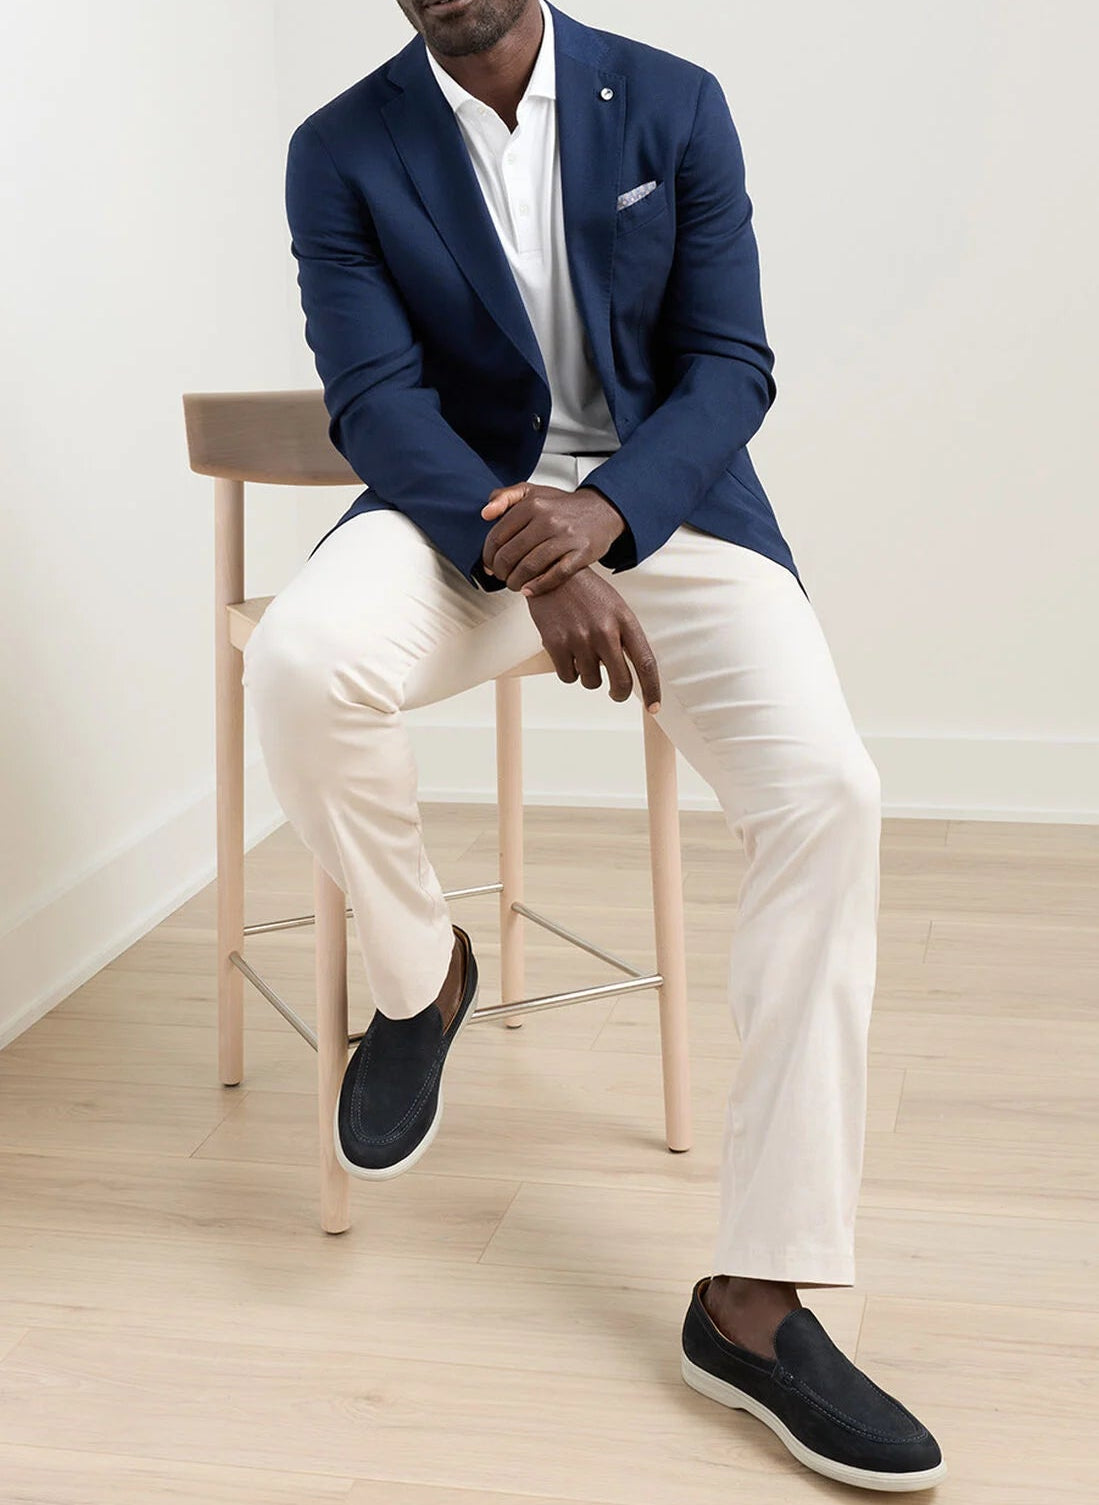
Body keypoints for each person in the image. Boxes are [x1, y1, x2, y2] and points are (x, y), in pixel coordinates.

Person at [241, 0, 946, 1490]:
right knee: (300, 665)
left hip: (669, 515)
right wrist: (533, 545)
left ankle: (755, 1302)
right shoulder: (341, 148)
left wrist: (607, 516)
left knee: (830, 795)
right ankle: (421, 975)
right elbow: (375, 402)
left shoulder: (672, 101)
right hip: (457, 519)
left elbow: (731, 364)